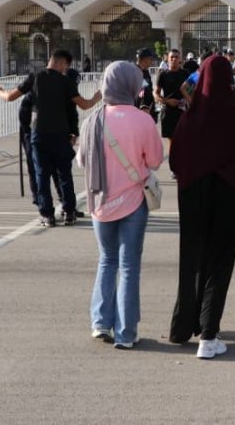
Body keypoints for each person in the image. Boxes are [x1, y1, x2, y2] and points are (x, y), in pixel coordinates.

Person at [168, 55, 235, 358]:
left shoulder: (189, 119)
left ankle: (184, 325)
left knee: (192, 260)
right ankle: (208, 333)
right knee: (219, 264)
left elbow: (175, 161)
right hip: (229, 197)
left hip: (193, 198)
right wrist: (231, 172)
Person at [78, 61, 164, 349]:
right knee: (129, 267)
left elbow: (81, 161)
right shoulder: (143, 120)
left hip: (99, 201)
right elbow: (154, 162)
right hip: (133, 201)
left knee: (106, 260)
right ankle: (126, 333)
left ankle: (100, 322)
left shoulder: (92, 121)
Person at [0, 50, 100, 227]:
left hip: (39, 134)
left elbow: (10, 97)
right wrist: (96, 97)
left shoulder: (35, 77)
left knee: (42, 174)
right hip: (61, 135)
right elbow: (84, 104)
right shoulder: (65, 81)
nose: (66, 69)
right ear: (62, 63)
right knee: (64, 174)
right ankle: (70, 212)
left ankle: (47, 215)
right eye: (66, 65)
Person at [154, 49, 189, 164]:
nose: (174, 59)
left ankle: (183, 165)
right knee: (173, 141)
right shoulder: (163, 75)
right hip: (169, 112)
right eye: (171, 57)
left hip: (183, 111)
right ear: (167, 59)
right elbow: (156, 93)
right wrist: (167, 101)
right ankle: (174, 166)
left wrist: (188, 99)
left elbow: (193, 90)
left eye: (176, 57)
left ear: (180, 59)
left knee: (184, 140)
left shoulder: (185, 73)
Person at [135, 48, 158, 123]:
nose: (152, 61)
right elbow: (143, 91)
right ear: (146, 59)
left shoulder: (145, 71)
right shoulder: (135, 72)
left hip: (146, 110)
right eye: (151, 59)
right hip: (139, 112)